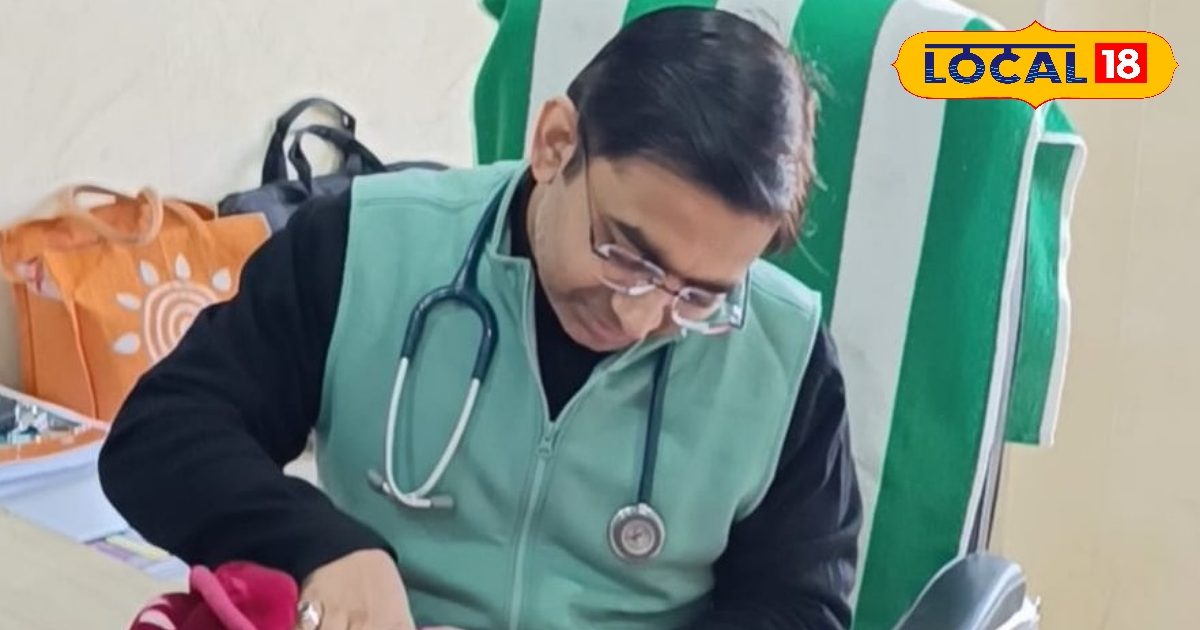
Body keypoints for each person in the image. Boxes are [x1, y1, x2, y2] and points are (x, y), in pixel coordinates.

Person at [99, 7, 861, 630]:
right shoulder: (367, 245)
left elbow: (799, 608)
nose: (639, 315)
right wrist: (319, 546)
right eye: (625, 252)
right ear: (555, 143)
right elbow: (162, 435)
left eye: (698, 295)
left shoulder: (783, 358)